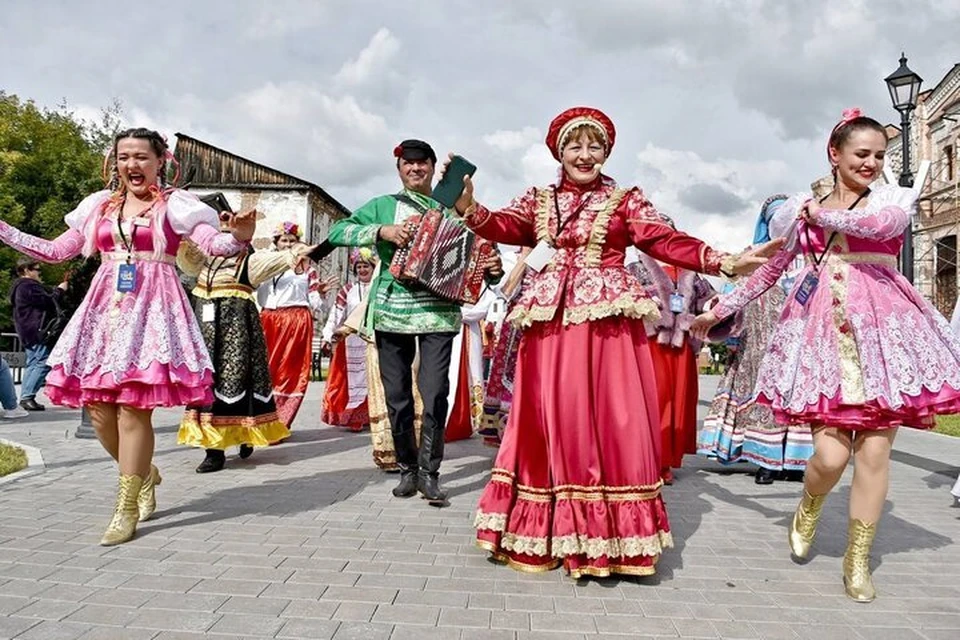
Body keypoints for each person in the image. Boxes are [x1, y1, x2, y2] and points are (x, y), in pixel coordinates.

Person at [454, 106, 778, 578]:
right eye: (575, 146)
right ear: (558, 151)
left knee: (606, 416)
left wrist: (722, 261)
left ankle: (607, 537)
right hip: (549, 323)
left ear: (607, 152)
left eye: (595, 146)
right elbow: (503, 225)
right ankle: (542, 530)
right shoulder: (540, 200)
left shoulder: (625, 199)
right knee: (548, 414)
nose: (585, 156)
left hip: (605, 323)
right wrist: (469, 208)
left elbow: (663, 239)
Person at [692, 109, 960, 602]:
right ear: (834, 155)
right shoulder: (801, 211)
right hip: (822, 335)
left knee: (875, 452)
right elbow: (771, 271)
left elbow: (881, 225)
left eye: (879, 155)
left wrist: (819, 214)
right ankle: (810, 503)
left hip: (884, 333)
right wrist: (719, 309)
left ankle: (857, 562)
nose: (873, 163)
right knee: (831, 455)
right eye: (862, 154)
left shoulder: (891, 201)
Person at [0, 127, 254, 545]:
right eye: (123, 157)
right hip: (105, 312)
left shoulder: (177, 205)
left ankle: (126, 505)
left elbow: (214, 244)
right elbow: (55, 251)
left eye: (140, 157)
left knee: (134, 408)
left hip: (154, 309)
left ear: (160, 162)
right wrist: (5, 229)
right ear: (113, 162)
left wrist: (239, 237)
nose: (131, 165)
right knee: (98, 410)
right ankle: (143, 471)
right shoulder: (98, 206)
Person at [327, 139, 502, 502]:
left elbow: (483, 255)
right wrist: (380, 232)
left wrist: (493, 268)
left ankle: (430, 471)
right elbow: (337, 231)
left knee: (436, 392)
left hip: (439, 312)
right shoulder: (383, 206)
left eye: (422, 164)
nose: (415, 169)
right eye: (408, 164)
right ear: (399, 169)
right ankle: (407, 468)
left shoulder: (455, 211)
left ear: (432, 167)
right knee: (397, 396)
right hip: (392, 311)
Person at [176, 213, 316, 472]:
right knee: (209, 384)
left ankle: (243, 435)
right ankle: (213, 449)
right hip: (206, 338)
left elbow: (281, 259)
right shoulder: (203, 264)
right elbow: (185, 253)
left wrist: (301, 250)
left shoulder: (248, 262)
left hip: (237, 336)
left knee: (236, 381)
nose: (220, 240)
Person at [697, 195, 813, 484]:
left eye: (785, 214)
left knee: (795, 399)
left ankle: (795, 462)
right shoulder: (753, 255)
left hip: (799, 342)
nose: (780, 221)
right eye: (773, 216)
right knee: (763, 396)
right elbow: (733, 291)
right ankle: (765, 459)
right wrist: (720, 316)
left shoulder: (811, 255)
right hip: (759, 343)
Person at [628, 246, 716, 484]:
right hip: (650, 345)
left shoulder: (692, 273)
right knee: (653, 401)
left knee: (678, 403)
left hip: (682, 349)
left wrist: (714, 306)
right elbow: (625, 304)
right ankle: (647, 460)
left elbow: (709, 303)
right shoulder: (635, 269)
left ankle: (666, 461)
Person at [257, 222, 330, 434]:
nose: (288, 244)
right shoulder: (265, 264)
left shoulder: (307, 269)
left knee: (289, 371)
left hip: (295, 320)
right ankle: (260, 418)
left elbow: (315, 302)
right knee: (264, 368)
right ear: (276, 243)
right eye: (284, 240)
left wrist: (321, 293)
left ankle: (280, 422)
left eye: (292, 241)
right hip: (268, 318)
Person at [321, 247, 377, 432]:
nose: (362, 270)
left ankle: (373, 415)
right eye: (359, 266)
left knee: (372, 378)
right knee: (351, 381)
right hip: (351, 341)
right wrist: (328, 335)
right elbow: (336, 313)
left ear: (373, 267)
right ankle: (353, 417)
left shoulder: (379, 288)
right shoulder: (348, 290)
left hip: (373, 340)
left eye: (366, 266)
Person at [478, 247, 530, 447]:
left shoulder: (553, 252)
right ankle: (509, 437)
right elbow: (506, 290)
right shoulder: (511, 258)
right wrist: (526, 256)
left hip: (546, 321)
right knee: (510, 377)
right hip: (517, 325)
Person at [9, 258, 67, 411]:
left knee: (33, 362)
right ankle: (28, 396)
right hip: (36, 329)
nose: (39, 272)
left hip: (26, 330)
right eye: (37, 269)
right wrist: (60, 290)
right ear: (26, 270)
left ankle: (25, 397)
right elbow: (47, 302)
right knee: (43, 361)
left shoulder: (19, 287)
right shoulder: (28, 286)